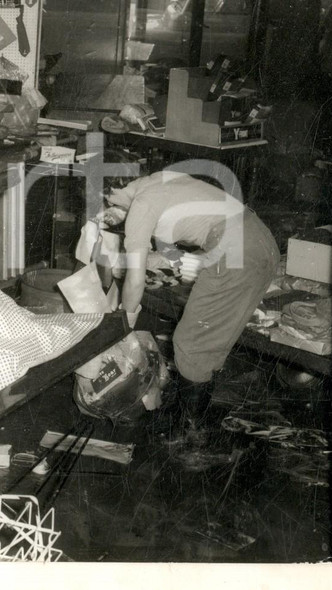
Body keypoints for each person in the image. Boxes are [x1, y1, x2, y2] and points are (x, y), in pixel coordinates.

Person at [100, 169, 280, 441]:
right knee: (209, 340)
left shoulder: (141, 205)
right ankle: (193, 417)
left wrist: (125, 324)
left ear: (108, 193)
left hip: (236, 251)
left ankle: (192, 434)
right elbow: (184, 229)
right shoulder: (159, 179)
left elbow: (134, 282)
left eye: (106, 203)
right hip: (261, 240)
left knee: (191, 342)